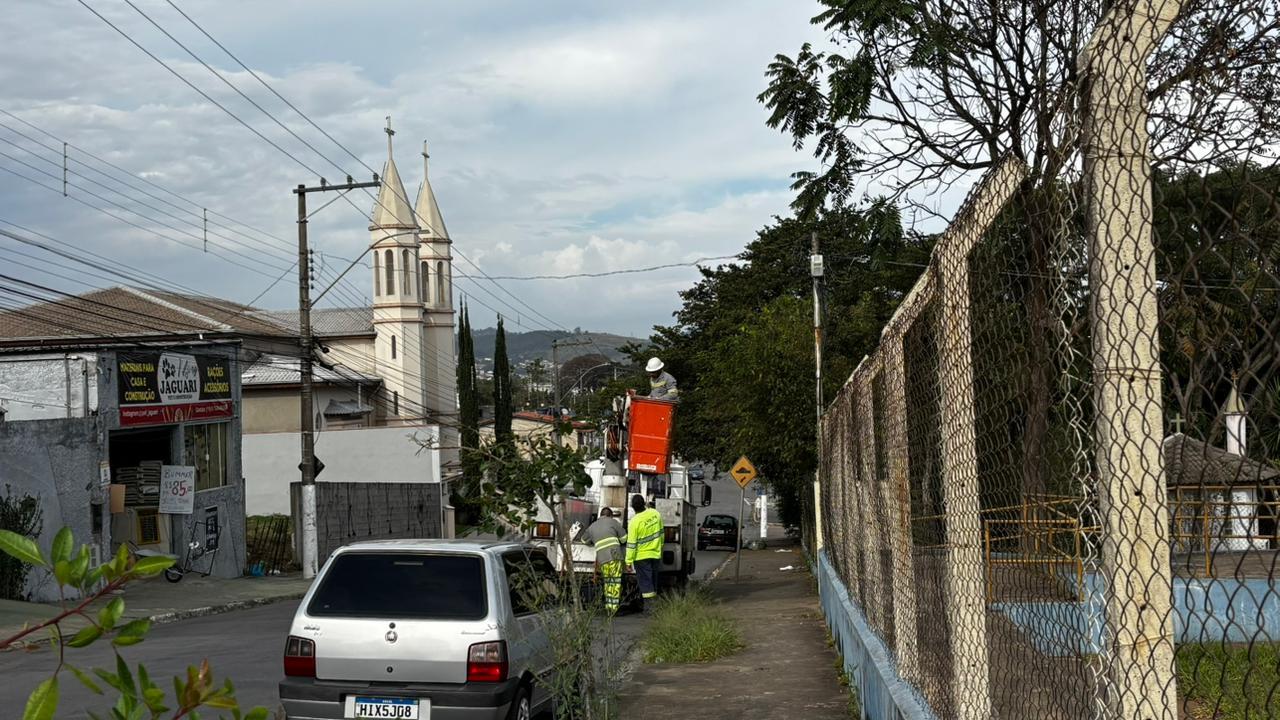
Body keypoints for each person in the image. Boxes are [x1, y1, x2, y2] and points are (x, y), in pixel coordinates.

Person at [580, 507, 626, 614]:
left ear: (600, 515)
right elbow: (624, 539)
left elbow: (583, 540)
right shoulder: (614, 522)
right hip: (615, 556)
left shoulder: (592, 526)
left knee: (608, 582)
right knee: (615, 582)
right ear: (610, 515)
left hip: (602, 559)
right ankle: (613, 609)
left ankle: (609, 606)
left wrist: (593, 541)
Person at [626, 493, 664, 613]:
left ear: (633, 507)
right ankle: (653, 605)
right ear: (644, 503)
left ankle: (650, 608)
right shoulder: (655, 514)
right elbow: (662, 533)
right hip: (655, 554)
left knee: (645, 582)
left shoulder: (634, 522)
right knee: (653, 580)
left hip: (641, 556)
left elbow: (631, 544)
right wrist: (660, 546)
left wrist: (628, 561)